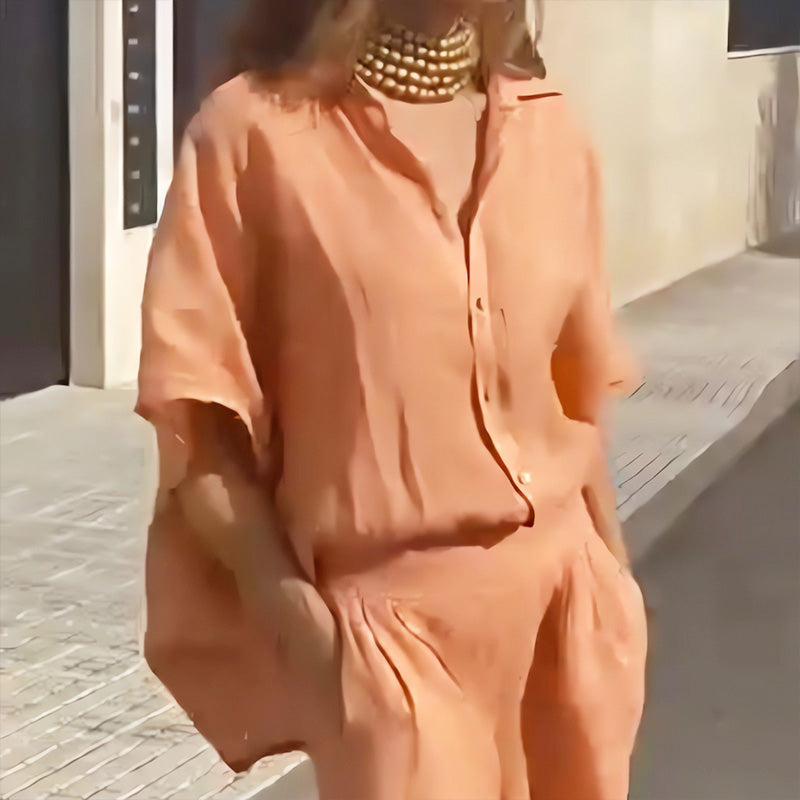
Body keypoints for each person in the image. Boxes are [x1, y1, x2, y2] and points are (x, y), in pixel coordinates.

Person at [136, 0, 648, 797]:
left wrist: (616, 586)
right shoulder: (253, 135)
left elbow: (576, 396)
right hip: (392, 650)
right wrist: (310, 636)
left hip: (569, 623)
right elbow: (200, 430)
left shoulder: (551, 131)